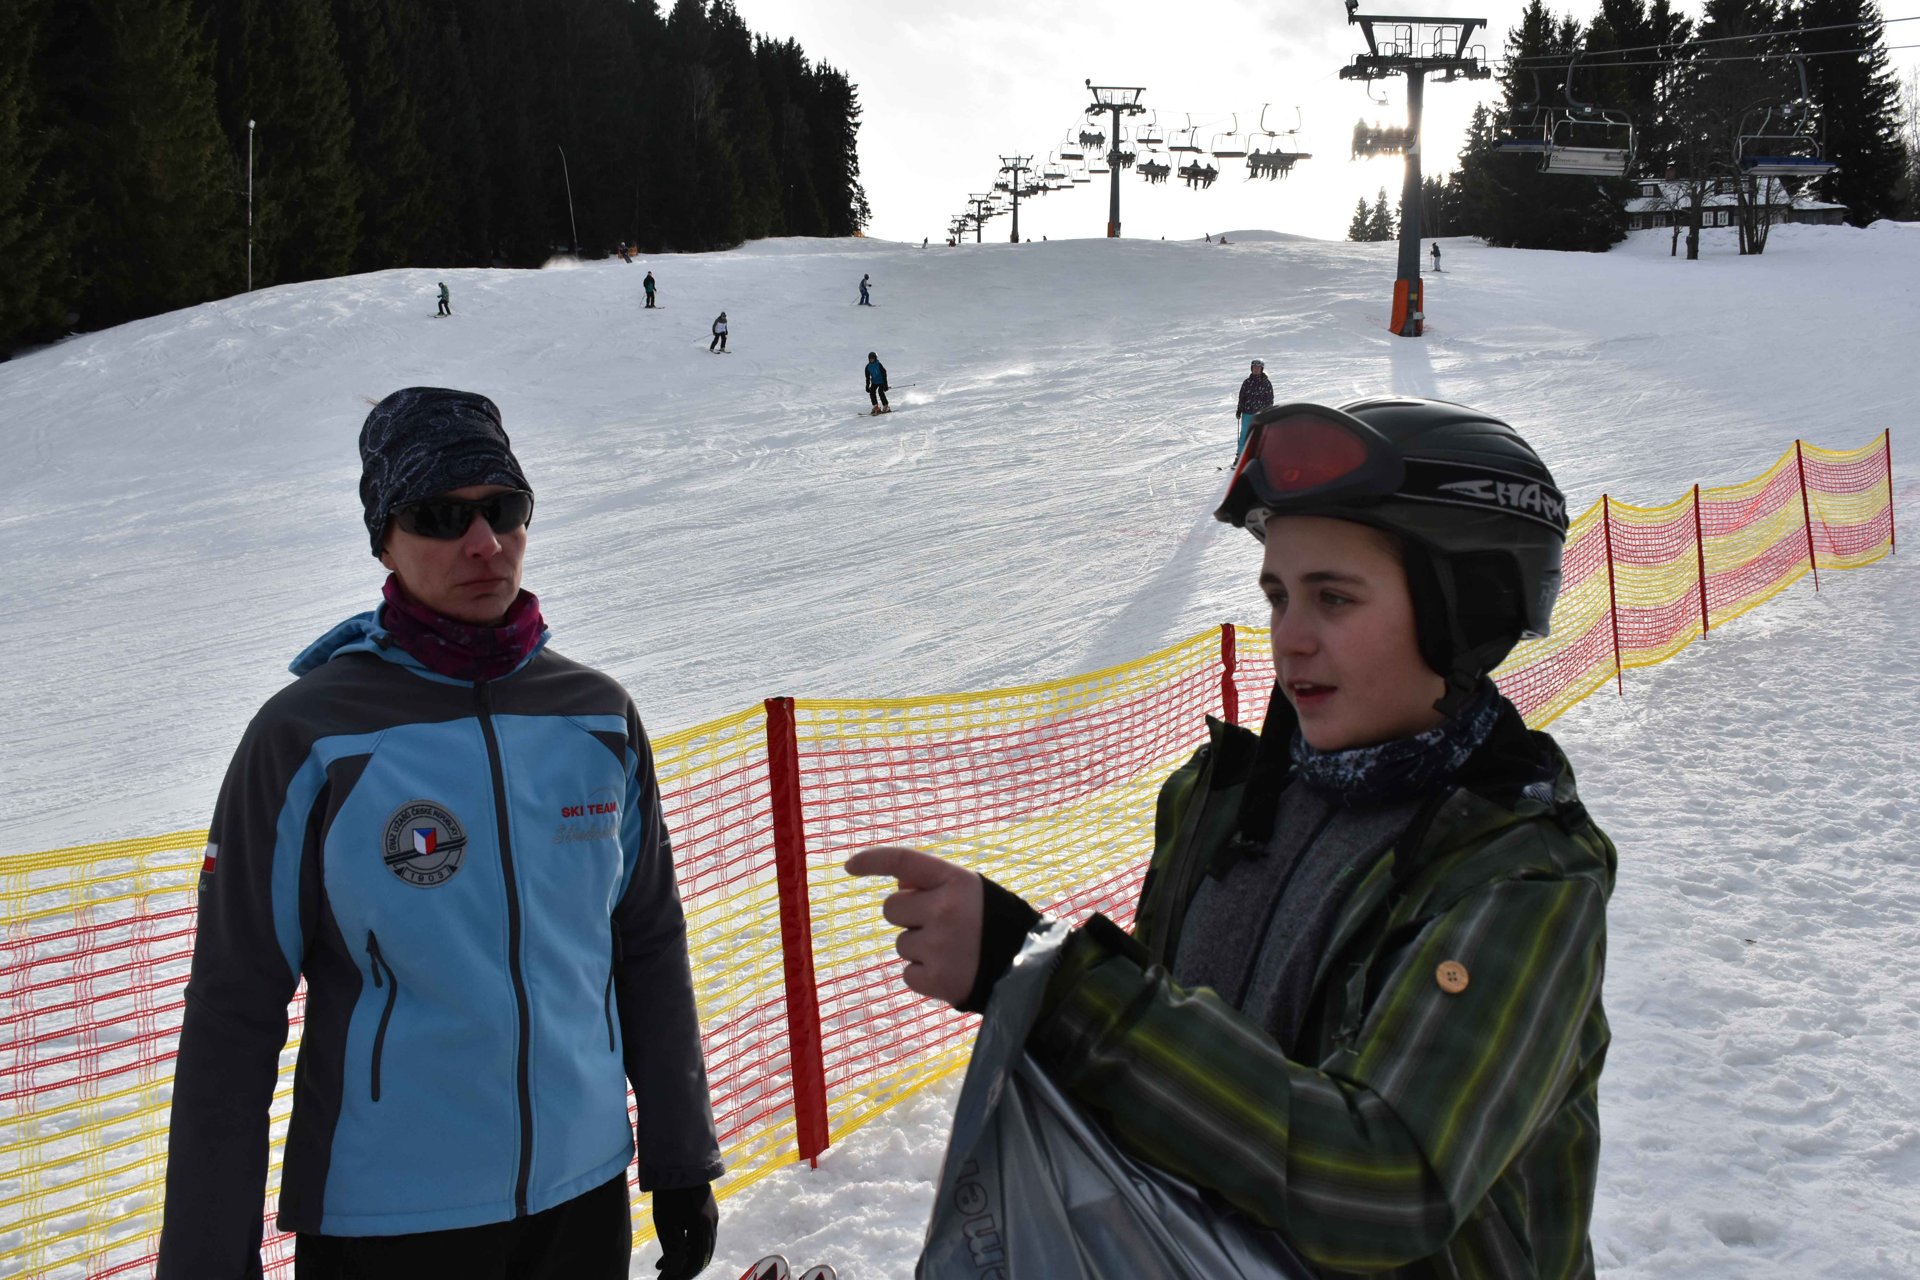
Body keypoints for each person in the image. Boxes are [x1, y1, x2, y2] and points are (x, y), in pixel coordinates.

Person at [850, 396, 1612, 1278]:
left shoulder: (1519, 875)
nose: (1290, 639)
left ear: (1463, 614)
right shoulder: (1223, 802)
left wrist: (1053, 986)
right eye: (1278, 597)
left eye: (1333, 598)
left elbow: (1386, 1182)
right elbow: (1174, 1096)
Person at [156, 388, 724, 1280]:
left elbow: (647, 942)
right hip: (388, 1223)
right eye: (439, 516)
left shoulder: (597, 717)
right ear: (383, 540)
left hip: (584, 1200)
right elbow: (236, 1005)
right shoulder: (309, 737)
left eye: (505, 508)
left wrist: (682, 1158)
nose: (484, 542)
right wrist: (207, 1262)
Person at [1235, 358, 1273, 457]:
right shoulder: (1247, 382)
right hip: (1247, 412)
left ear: (1261, 369)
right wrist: (1239, 410)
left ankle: (1258, 455)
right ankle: (1240, 455)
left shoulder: (1266, 383)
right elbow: (1242, 397)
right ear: (1251, 368)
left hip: (1260, 414)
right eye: (1254, 367)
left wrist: (1268, 412)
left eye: (1258, 368)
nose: (1256, 369)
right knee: (1244, 434)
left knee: (1259, 435)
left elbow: (1269, 399)